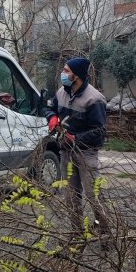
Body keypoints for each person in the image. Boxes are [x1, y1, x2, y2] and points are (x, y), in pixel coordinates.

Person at [44, 57, 112, 239]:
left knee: (94, 195)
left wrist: (76, 138)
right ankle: (77, 233)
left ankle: (104, 233)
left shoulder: (94, 99)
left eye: (66, 71)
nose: (63, 74)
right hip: (66, 152)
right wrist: (52, 118)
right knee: (71, 196)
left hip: (86, 153)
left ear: (77, 75)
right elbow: (51, 108)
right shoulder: (62, 92)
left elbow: (99, 131)